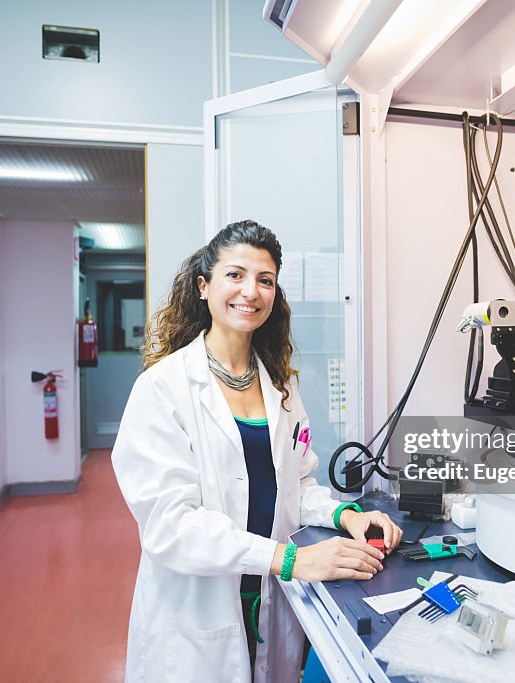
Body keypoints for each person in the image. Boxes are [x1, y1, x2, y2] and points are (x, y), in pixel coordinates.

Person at [112, 220, 402, 683]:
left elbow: (297, 484)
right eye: (236, 275)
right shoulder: (163, 388)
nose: (251, 291)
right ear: (204, 287)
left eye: (265, 280)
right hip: (200, 607)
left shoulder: (279, 387)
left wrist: (348, 516)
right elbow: (170, 525)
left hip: (269, 600)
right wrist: (293, 560)